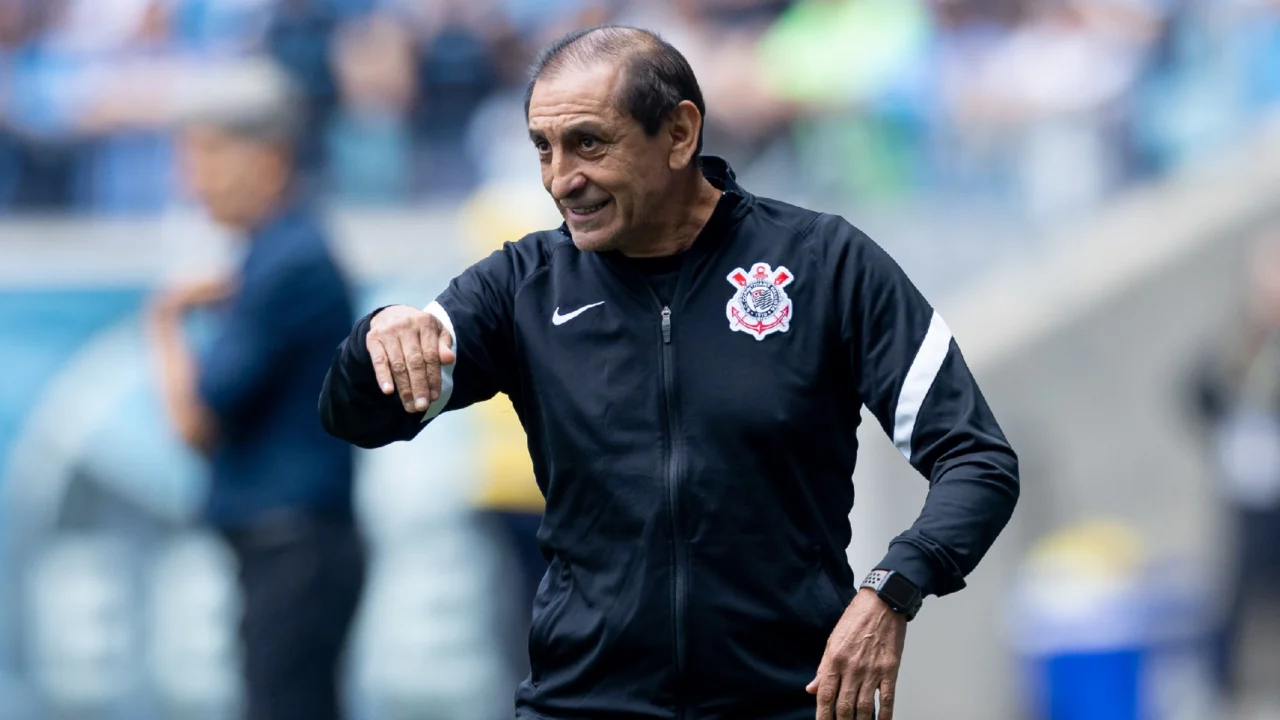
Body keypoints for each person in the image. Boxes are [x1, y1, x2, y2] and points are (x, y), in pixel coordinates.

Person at [320, 26, 1019, 720]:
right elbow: (362, 416)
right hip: (585, 706)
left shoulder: (824, 264)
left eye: (589, 142)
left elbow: (975, 457)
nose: (562, 178)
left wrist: (891, 591)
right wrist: (378, 337)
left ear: (680, 134)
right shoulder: (523, 285)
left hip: (785, 702)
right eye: (544, 148)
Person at [149, 59, 364, 720]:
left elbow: (197, 422)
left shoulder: (287, 261)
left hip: (293, 547)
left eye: (210, 154)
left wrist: (162, 321)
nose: (194, 178)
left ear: (269, 158)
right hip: (291, 547)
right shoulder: (272, 255)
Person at [1190, 232, 1280, 705]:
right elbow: (1199, 390)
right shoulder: (1239, 341)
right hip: (1248, 492)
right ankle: (1222, 688)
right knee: (1238, 594)